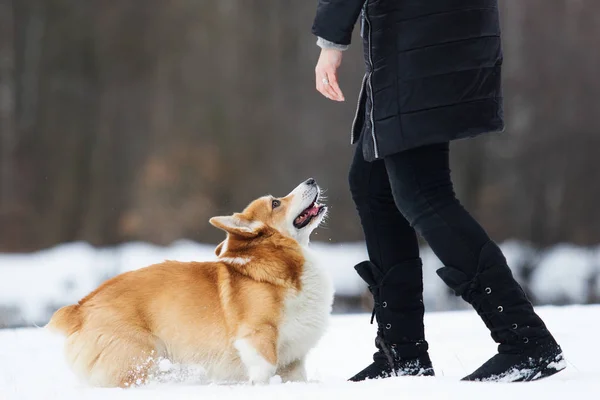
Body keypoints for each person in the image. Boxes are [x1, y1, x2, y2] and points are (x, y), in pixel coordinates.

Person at [311, 1, 566, 382]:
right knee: (372, 185)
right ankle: (403, 354)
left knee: (422, 191)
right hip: (436, 32)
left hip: (421, 36)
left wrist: (331, 40)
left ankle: (526, 340)